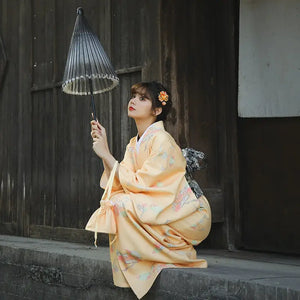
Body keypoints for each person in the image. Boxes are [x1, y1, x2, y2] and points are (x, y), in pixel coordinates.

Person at [85, 81, 211, 299]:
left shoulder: (162, 140)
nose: (133, 100)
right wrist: (103, 145)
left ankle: (175, 251)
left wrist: (106, 154)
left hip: (190, 214)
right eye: (133, 96)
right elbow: (119, 183)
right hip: (164, 208)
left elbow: (140, 185)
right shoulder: (134, 144)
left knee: (122, 204)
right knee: (116, 201)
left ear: (157, 110)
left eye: (142, 98)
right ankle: (151, 257)